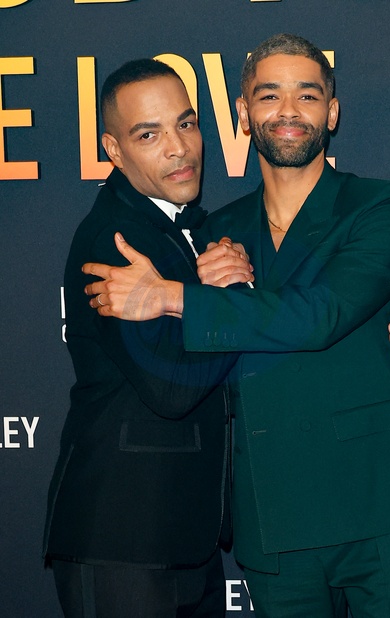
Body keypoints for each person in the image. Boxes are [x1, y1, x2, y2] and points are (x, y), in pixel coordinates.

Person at [83, 34, 390, 617]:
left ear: (332, 111)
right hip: (271, 516)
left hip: (377, 504)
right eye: (269, 95)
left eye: (308, 95)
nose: (288, 110)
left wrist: (176, 297)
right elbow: (200, 362)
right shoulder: (212, 235)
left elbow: (323, 314)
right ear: (243, 113)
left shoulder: (381, 205)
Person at [43, 58, 245, 618]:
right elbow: (171, 387)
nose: (179, 148)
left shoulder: (189, 228)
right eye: (149, 134)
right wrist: (230, 299)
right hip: (124, 539)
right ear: (113, 149)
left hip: (182, 537)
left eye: (186, 124)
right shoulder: (115, 240)